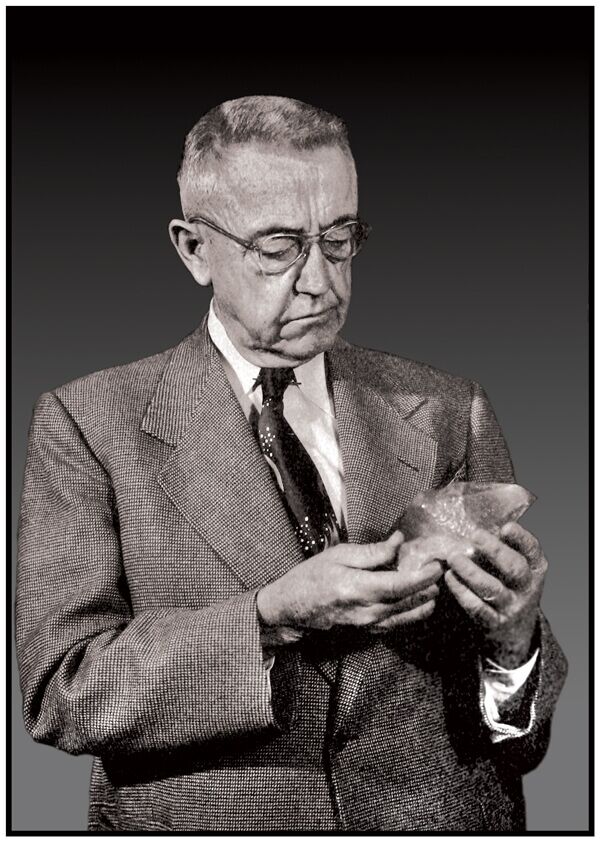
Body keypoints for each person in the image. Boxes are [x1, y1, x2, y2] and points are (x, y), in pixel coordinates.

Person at [16, 95, 567, 832]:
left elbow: (516, 734)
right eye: (278, 248)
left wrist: (514, 641)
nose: (321, 282)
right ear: (192, 248)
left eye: (340, 239)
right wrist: (268, 618)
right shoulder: (88, 425)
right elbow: (62, 692)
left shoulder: (445, 406)